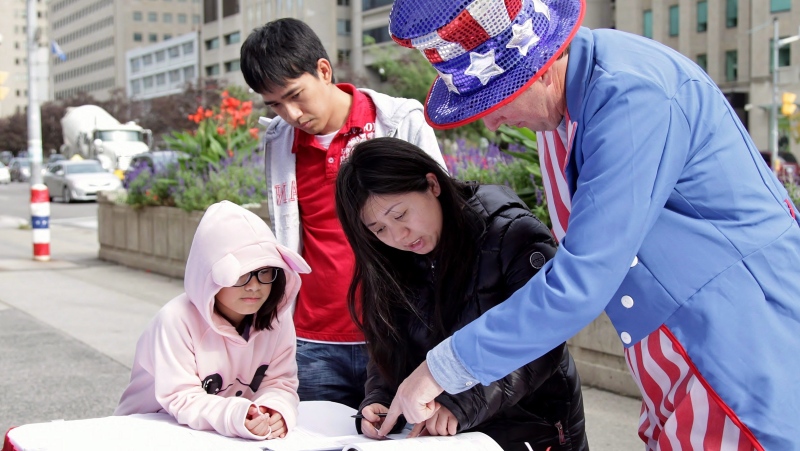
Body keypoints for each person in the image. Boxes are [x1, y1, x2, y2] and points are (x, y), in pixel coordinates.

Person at [378, 0, 800, 449]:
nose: (494, 122)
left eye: (495, 101)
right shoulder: (562, 110)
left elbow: (582, 278)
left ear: (539, 67)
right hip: (673, 350)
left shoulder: (632, 94)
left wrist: (440, 368)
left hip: (737, 344)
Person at [239, 18, 446, 410]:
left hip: (396, 335)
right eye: (275, 104)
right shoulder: (280, 141)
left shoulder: (398, 122)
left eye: (295, 95)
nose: (291, 113)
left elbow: (446, 216)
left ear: (323, 70)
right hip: (312, 341)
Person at [334, 137, 588, 451]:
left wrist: (461, 402)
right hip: (446, 434)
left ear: (432, 184)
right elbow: (389, 341)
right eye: (378, 228)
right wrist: (381, 399)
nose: (398, 235)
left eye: (400, 215)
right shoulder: (389, 258)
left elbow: (543, 340)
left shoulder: (511, 232)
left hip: (532, 419)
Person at [115, 201, 311, 440]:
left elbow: (280, 382)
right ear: (210, 274)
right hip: (147, 432)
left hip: (219, 436)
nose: (254, 286)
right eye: (241, 274)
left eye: (264, 272)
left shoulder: (276, 319)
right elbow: (182, 397)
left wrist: (274, 411)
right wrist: (238, 415)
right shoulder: (175, 320)